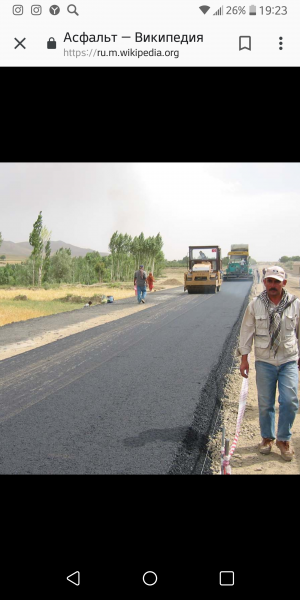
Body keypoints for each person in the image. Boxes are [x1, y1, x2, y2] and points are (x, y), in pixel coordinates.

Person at [238, 265, 300, 461]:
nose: (273, 285)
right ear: (264, 282)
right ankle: (267, 438)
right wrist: (244, 359)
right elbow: (246, 331)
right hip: (264, 361)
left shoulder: (294, 303)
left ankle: (283, 440)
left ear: (284, 283)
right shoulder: (255, 305)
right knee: (265, 403)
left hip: (289, 359)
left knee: (289, 401)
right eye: (270, 281)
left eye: (277, 281)